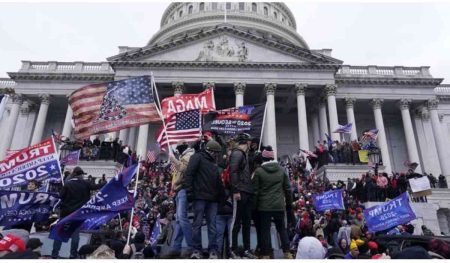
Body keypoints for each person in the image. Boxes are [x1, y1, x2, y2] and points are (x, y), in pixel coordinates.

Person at [51, 167, 105, 259]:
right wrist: (104, 182)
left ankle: (54, 254)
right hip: (78, 213)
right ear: (81, 175)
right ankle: (73, 254)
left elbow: (60, 197)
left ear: (74, 174)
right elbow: (96, 187)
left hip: (65, 213)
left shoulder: (67, 184)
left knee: (60, 233)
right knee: (75, 234)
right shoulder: (86, 183)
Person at [184, 140, 224, 259]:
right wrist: (189, 192)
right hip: (199, 197)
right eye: (216, 153)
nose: (217, 155)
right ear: (210, 150)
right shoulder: (197, 157)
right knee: (197, 224)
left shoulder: (214, 163)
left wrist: (223, 196)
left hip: (212, 199)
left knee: (212, 226)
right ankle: (196, 250)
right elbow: (189, 174)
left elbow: (217, 181)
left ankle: (213, 250)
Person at [252, 146, 293, 259]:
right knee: (281, 229)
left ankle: (266, 254)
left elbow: (256, 192)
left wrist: (254, 207)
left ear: (263, 158)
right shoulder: (281, 170)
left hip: (264, 206)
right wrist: (288, 204)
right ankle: (287, 252)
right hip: (279, 206)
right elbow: (288, 189)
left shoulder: (259, 172)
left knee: (265, 230)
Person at [228, 133, 256, 259]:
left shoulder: (243, 154)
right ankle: (232, 249)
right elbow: (233, 172)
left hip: (247, 191)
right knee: (236, 222)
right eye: (249, 142)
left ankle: (246, 249)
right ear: (247, 142)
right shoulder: (237, 153)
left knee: (246, 222)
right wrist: (235, 191)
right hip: (239, 192)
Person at [165, 141, 195, 258]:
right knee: (178, 220)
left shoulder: (189, 155)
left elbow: (184, 169)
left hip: (183, 189)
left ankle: (191, 246)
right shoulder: (184, 155)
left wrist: (173, 159)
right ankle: (176, 247)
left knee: (182, 218)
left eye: (179, 148)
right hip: (178, 190)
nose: (178, 151)